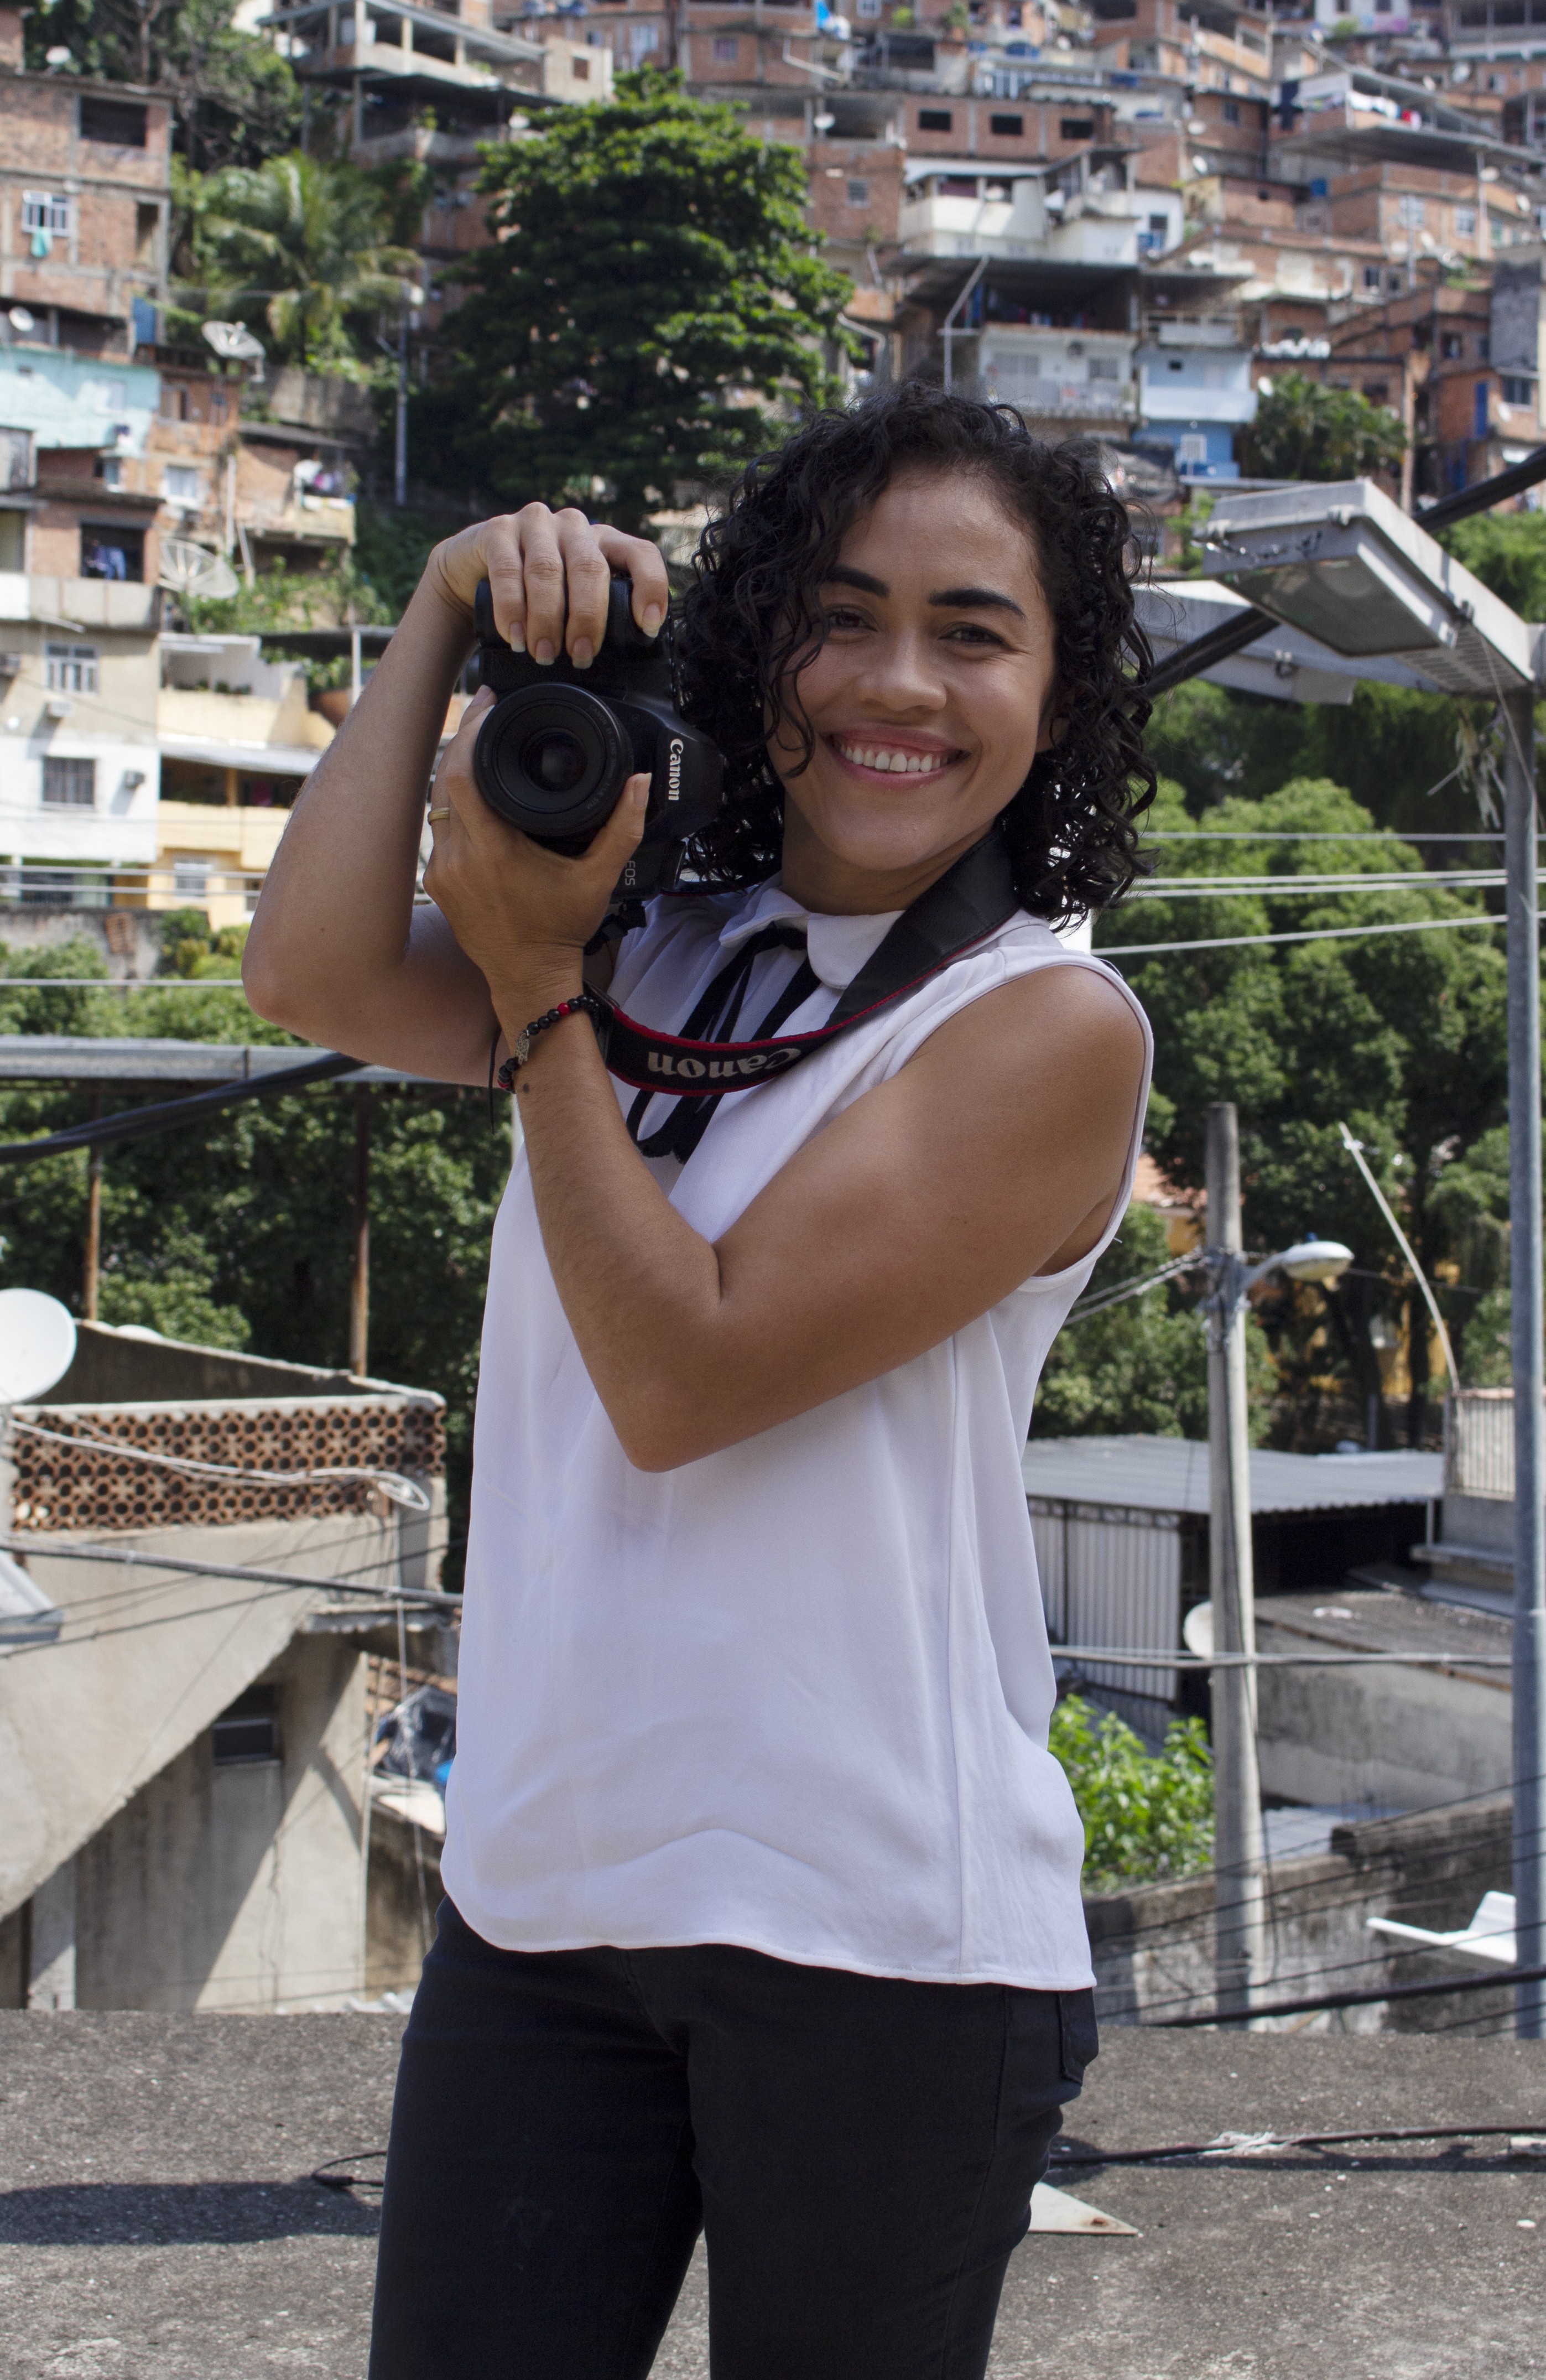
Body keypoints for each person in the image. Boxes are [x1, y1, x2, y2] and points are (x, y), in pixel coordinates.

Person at [243, 381, 1155, 2380]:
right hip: (548, 1893)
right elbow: (305, 974)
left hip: (878, 1942)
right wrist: (442, 620)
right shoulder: (663, 941)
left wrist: (537, 988)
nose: (892, 684)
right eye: (839, 618)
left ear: (1061, 692)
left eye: (971, 632)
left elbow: (686, 1373)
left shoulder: (1044, 1025)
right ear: (759, 657)